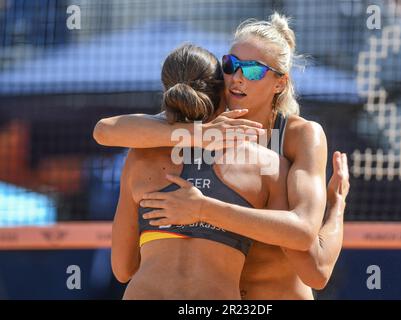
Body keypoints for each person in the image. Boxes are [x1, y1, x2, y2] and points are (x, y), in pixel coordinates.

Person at [94, 13, 350, 299]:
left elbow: (316, 269)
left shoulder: (295, 136)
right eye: (231, 65)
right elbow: (105, 131)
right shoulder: (203, 124)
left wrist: (335, 208)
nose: (237, 78)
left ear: (280, 83)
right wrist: (195, 134)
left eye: (253, 71)